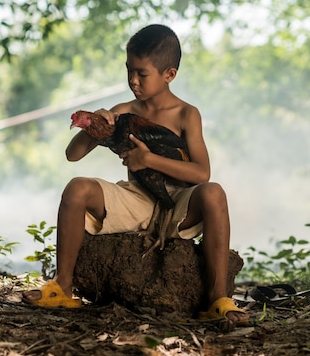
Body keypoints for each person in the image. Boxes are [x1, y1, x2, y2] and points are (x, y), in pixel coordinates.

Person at [22, 24, 248, 326]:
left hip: (179, 201)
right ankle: (62, 287)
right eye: (129, 70)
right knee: (77, 188)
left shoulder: (186, 114)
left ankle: (217, 299)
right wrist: (96, 125)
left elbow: (201, 173)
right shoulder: (124, 110)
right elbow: (72, 155)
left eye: (142, 73)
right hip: (136, 199)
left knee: (214, 193)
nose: (133, 80)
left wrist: (149, 158)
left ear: (169, 74)